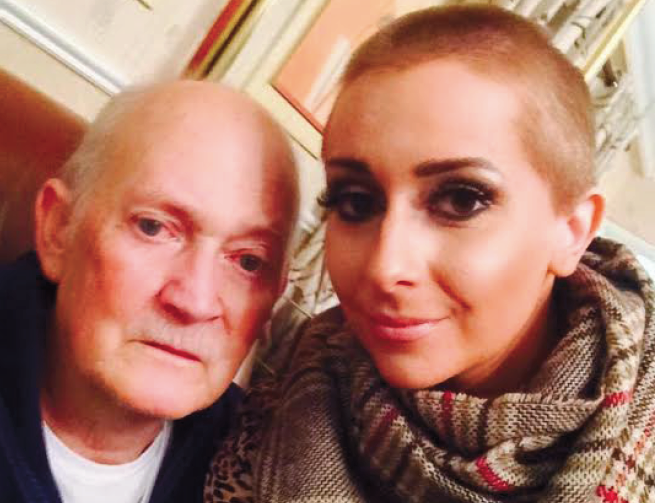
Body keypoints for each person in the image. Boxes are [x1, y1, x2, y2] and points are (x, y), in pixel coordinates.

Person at [206, 5, 655, 503]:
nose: (386, 266)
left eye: (462, 200)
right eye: (356, 202)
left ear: (571, 232)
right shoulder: (285, 393)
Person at [0, 80, 299, 503]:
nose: (195, 301)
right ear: (58, 230)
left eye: (248, 261)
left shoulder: (261, 470)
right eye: (153, 227)